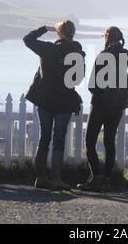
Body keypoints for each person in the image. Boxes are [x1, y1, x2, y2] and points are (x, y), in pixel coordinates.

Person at [23, 20, 85, 191]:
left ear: (58, 33)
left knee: (44, 139)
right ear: (73, 33)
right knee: (59, 141)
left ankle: (41, 178)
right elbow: (79, 78)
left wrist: (44, 29)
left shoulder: (48, 49)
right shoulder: (77, 53)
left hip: (45, 100)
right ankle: (57, 179)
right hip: (64, 101)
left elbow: (27, 39)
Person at [77, 26, 128, 192]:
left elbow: (93, 84)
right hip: (118, 105)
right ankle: (107, 178)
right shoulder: (126, 55)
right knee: (109, 141)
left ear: (106, 37)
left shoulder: (104, 55)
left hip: (101, 104)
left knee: (90, 141)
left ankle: (96, 178)